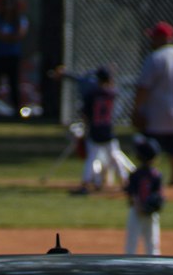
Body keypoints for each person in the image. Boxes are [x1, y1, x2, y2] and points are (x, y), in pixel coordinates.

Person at [49, 64, 134, 192]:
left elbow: (85, 114)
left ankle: (86, 183)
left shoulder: (92, 94)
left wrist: (86, 127)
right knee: (115, 156)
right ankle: (125, 181)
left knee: (92, 158)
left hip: (95, 129)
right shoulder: (111, 93)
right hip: (108, 129)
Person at [131, 22, 173, 187]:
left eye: (154, 37)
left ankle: (149, 176)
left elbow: (143, 87)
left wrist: (137, 109)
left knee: (150, 147)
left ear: (161, 38)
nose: (151, 41)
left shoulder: (154, 58)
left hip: (156, 111)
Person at [0, 0, 29, 117]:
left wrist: (4, 37)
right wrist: (7, 37)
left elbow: (19, 35)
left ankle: (17, 111)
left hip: (12, 56)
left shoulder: (19, 20)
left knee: (13, 84)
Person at [123, 136, 164, 256]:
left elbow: (132, 195)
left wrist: (139, 207)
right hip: (148, 213)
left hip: (137, 213)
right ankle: (155, 267)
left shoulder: (135, 174)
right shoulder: (156, 175)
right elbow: (159, 196)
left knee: (132, 243)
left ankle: (128, 265)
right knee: (152, 244)